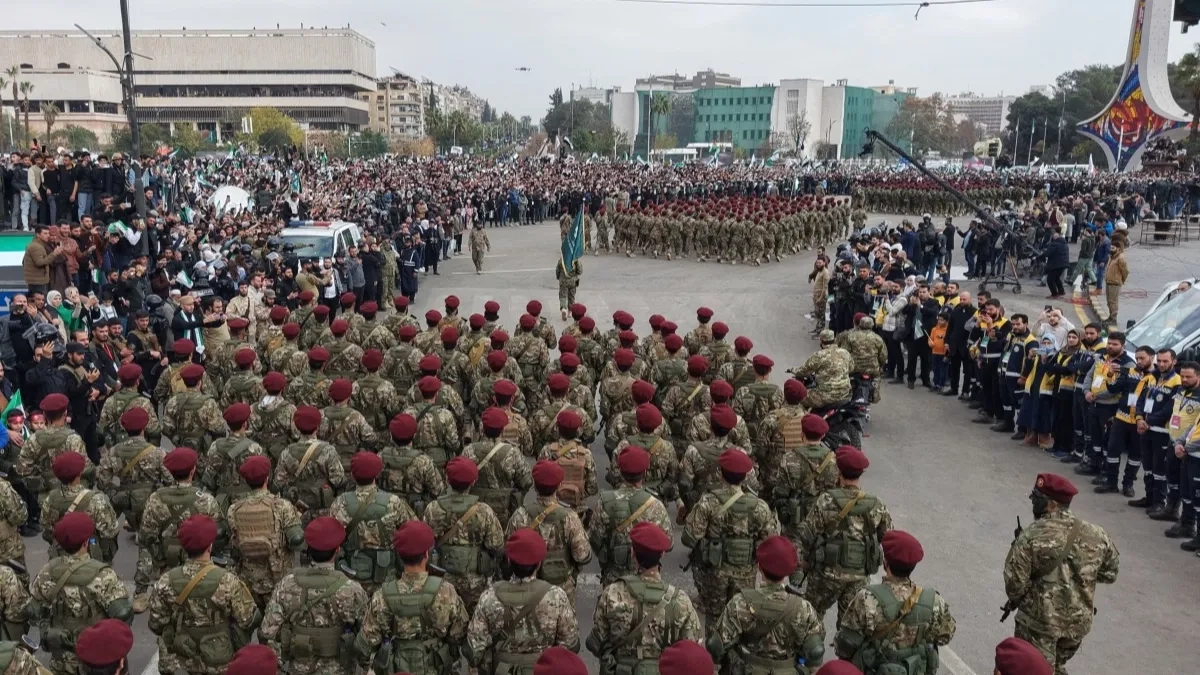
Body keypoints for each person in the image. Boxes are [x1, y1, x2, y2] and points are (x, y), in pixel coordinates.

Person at [1002, 473, 1119, 673]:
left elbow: (1014, 586)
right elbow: (1110, 573)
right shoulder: (1097, 534)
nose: (1033, 503)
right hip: (1076, 626)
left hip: (1039, 624)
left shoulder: (1031, 536)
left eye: (1037, 499)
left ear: (1052, 505)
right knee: (1055, 667)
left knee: (1033, 670)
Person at [146, 514, 261, 675]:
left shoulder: (167, 580)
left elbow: (156, 624)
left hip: (180, 661)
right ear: (210, 546)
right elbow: (249, 620)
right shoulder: (226, 580)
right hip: (219, 660)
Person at [353, 518, 469, 673]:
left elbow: (365, 644)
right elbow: (459, 633)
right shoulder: (446, 591)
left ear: (399, 555)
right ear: (427, 554)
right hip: (435, 666)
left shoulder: (382, 596)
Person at [682, 448, 777, 633]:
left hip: (714, 570)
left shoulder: (708, 501)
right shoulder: (760, 507)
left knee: (714, 616)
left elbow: (690, 536)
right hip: (746, 572)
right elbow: (770, 541)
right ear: (745, 477)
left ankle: (713, 653)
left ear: (720, 473)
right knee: (741, 616)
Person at [834, 530, 957, 674]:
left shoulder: (867, 598)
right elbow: (945, 637)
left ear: (886, 563)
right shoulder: (934, 601)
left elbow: (846, 645)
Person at [259, 516, 369, 675]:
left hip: (299, 668)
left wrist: (280, 663)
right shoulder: (351, 589)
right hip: (340, 669)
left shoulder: (287, 584)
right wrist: (365, 666)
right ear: (337, 550)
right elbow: (365, 638)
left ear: (308, 550)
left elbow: (267, 632)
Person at [587, 521, 702, 673]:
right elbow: (692, 649)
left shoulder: (613, 593)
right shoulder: (681, 601)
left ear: (633, 554)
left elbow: (598, 640)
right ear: (662, 554)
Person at [796, 446, 892, 622]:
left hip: (826, 573)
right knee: (851, 624)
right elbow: (889, 539)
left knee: (812, 617)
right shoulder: (875, 504)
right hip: (859, 574)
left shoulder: (827, 500)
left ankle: (811, 648)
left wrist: (805, 560)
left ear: (838, 470)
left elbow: (808, 533)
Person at [29, 512, 132, 675]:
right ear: (86, 542)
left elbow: (33, 611)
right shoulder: (102, 574)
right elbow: (123, 613)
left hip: (61, 655)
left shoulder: (47, 571)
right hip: (97, 658)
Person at [465, 528, 580, 673]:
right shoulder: (556, 597)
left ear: (509, 561)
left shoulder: (489, 597)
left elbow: (474, 649)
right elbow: (570, 645)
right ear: (539, 563)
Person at [707, 535, 825, 674]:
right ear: (789, 572)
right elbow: (815, 654)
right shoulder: (803, 608)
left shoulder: (740, 603)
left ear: (759, 567)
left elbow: (716, 647)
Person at [226, 455, 304, 610]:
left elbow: (235, 542)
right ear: (267, 478)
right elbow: (296, 540)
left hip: (248, 581)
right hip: (278, 581)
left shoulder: (234, 509)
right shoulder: (282, 506)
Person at [1103, 242, 1128, 326]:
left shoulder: (1121, 258)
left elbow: (1125, 271)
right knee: (1109, 302)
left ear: (1119, 249)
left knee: (1113, 302)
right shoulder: (1112, 257)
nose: (1111, 249)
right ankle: (1110, 317)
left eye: (1113, 248)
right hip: (1108, 282)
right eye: (1111, 248)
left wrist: (1121, 280)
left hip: (1115, 284)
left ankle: (1113, 319)